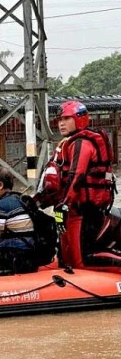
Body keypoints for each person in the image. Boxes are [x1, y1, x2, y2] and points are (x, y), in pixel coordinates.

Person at [43, 100, 120, 270]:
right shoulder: (65, 144)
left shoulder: (82, 143)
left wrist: (64, 205)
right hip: (64, 210)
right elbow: (57, 182)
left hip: (81, 211)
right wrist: (37, 202)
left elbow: (76, 176)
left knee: (81, 260)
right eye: (59, 120)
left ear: (79, 118)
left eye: (66, 119)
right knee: (65, 256)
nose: (61, 123)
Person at [0, 168, 38, 275]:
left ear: (0, 185)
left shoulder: (1, 206)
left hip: (13, 260)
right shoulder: (19, 199)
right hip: (31, 260)